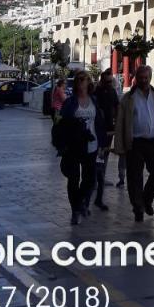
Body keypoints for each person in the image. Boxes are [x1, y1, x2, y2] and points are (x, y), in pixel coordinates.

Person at [112, 64, 154, 222]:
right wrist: (119, 146)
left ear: (150, 78)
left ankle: (147, 199)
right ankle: (138, 206)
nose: (144, 80)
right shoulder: (128, 98)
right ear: (136, 79)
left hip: (153, 142)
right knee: (134, 177)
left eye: (146, 78)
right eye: (141, 78)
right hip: (135, 143)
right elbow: (120, 123)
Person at [57, 71, 105, 225]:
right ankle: (75, 210)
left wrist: (103, 144)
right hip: (74, 146)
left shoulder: (94, 101)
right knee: (73, 179)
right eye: (78, 80)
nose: (80, 82)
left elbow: (99, 123)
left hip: (91, 145)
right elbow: (63, 123)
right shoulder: (70, 102)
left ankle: (80, 203)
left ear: (88, 82)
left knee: (90, 179)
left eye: (83, 79)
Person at [92, 69, 120, 210]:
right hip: (97, 131)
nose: (110, 83)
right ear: (102, 80)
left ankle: (99, 180)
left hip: (109, 130)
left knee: (103, 157)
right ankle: (95, 180)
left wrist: (117, 122)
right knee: (96, 158)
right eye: (107, 81)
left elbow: (117, 106)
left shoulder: (112, 92)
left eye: (111, 81)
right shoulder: (96, 93)